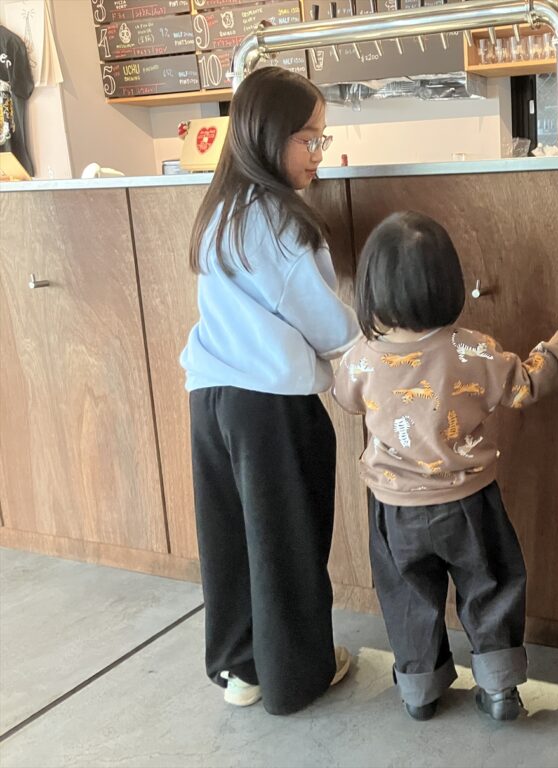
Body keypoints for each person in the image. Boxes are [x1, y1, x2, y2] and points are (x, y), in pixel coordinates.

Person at [333, 211, 558, 723]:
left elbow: (346, 399)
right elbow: (526, 386)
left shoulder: (361, 357)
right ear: (448, 283)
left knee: (406, 598)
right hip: (469, 502)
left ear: (371, 289)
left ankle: (420, 690)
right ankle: (500, 687)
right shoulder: (472, 349)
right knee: (490, 586)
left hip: (394, 510)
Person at [180, 67, 360, 715]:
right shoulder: (281, 221)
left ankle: (241, 669)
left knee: (228, 538)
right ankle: (297, 677)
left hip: (210, 398)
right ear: (265, 135)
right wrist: (366, 365)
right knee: (287, 539)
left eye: (321, 139)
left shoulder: (220, 212)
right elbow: (326, 324)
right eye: (308, 139)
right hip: (271, 407)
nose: (319, 154)